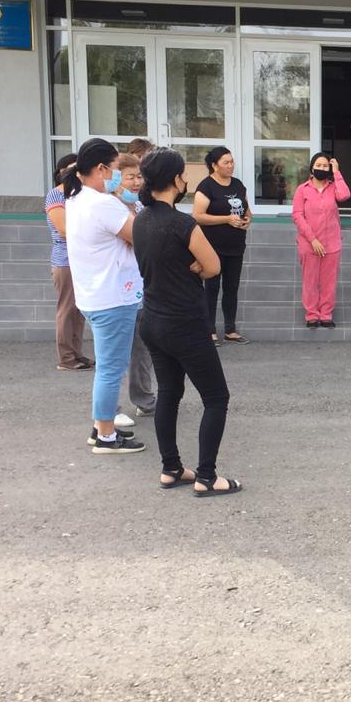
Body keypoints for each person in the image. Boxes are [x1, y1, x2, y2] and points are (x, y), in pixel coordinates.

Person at [132, 148, 241, 497]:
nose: (186, 180)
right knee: (216, 397)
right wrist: (192, 267)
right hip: (185, 322)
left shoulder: (140, 220)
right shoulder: (183, 224)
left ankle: (171, 468)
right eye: (183, 174)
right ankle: (207, 476)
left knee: (169, 392)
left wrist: (187, 266)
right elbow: (213, 267)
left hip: (152, 319)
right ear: (175, 180)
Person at [63, 137, 145, 454]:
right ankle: (106, 436)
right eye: (115, 169)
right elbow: (140, 236)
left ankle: (101, 426)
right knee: (111, 370)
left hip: (95, 294)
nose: (118, 176)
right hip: (113, 297)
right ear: (100, 169)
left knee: (107, 368)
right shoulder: (103, 204)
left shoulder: (77, 198)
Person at [193, 146, 250, 345]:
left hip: (236, 246)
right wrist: (226, 219)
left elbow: (246, 209)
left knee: (231, 288)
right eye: (226, 162)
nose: (231, 165)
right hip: (212, 247)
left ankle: (230, 330)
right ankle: (210, 331)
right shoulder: (206, 186)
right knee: (212, 288)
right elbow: (198, 216)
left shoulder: (238, 184)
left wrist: (247, 220)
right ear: (214, 165)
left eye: (232, 161)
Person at [115, 154, 157, 420]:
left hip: (141, 285)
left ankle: (144, 399)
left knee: (142, 347)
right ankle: (109, 410)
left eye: (139, 176)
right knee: (115, 354)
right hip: (116, 290)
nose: (136, 182)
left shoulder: (141, 205)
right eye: (129, 177)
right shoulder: (111, 207)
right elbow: (139, 239)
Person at [44, 152, 92, 372]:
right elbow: (63, 230)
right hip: (65, 261)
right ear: (61, 172)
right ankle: (66, 357)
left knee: (79, 310)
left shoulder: (80, 195)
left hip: (82, 259)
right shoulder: (56, 195)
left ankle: (77, 353)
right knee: (67, 308)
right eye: (70, 169)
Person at [291, 152, 351, 328]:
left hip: (331, 243)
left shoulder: (333, 187)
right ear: (312, 168)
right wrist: (313, 239)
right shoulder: (302, 189)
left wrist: (337, 172)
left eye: (325, 166)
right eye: (318, 165)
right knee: (310, 281)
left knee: (328, 282)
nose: (321, 168)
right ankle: (311, 315)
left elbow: (344, 195)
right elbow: (297, 215)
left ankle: (326, 314)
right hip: (309, 244)